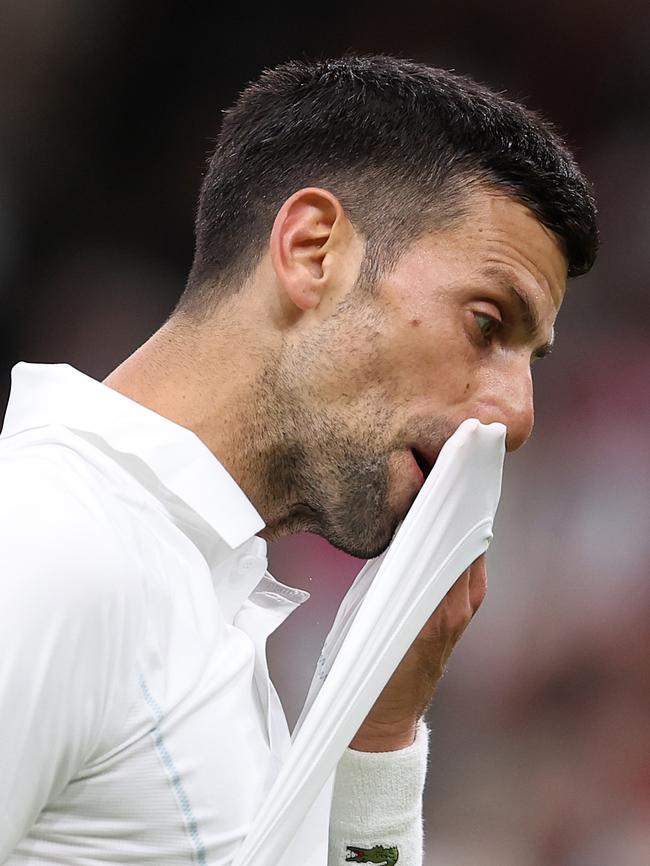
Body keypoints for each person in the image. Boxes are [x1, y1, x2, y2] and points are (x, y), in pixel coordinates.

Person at [0, 55, 597, 865]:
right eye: (488, 324)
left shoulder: (193, 591)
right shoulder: (51, 540)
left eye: (531, 359)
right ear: (314, 251)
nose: (517, 416)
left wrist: (379, 741)